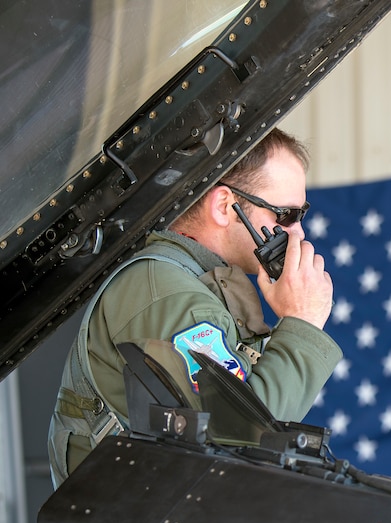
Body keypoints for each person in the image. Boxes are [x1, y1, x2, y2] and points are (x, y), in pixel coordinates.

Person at [47, 128, 341, 486]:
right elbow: (242, 442)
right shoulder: (172, 295)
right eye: (286, 215)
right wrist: (302, 322)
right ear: (223, 206)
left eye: (300, 214)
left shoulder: (194, 283)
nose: (297, 233)